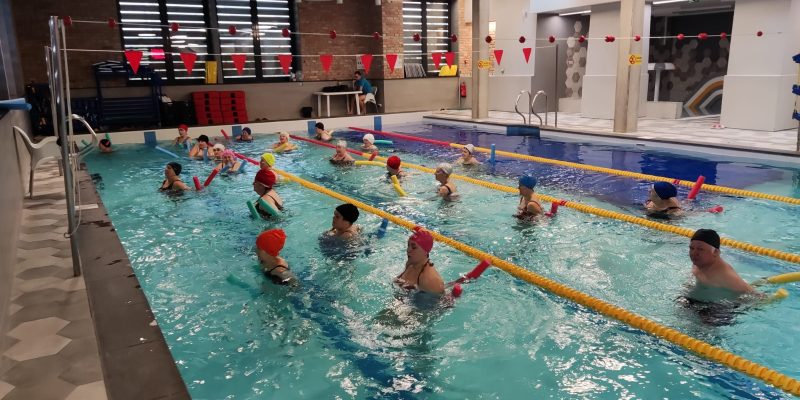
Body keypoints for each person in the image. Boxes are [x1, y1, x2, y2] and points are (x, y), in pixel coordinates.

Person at [690, 229, 755, 295]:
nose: (694, 253)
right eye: (691, 248)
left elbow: (756, 296)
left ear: (715, 252)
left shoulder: (726, 277)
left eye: (700, 249)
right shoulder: (699, 262)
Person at [394, 226, 444, 295]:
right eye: (408, 245)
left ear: (425, 251)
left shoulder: (429, 279)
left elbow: (441, 299)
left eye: (414, 247)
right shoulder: (410, 263)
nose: (408, 250)